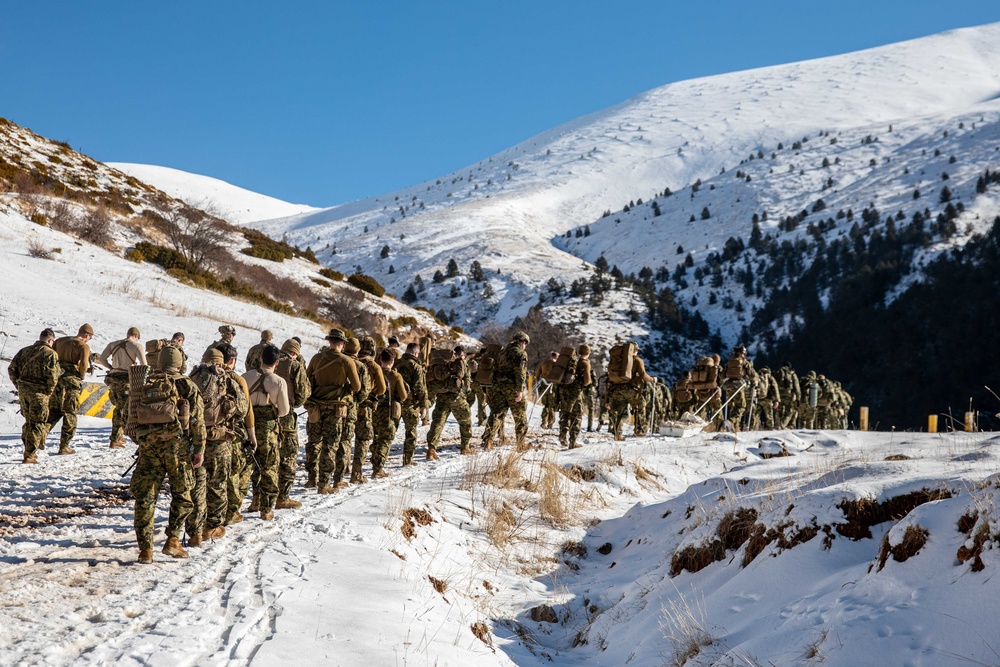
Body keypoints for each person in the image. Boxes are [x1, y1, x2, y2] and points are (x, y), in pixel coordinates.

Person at [130, 344, 205, 563]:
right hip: (178, 451)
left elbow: (131, 415)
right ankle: (173, 540)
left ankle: (146, 550)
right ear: (180, 364)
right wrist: (198, 450)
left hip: (149, 449)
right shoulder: (187, 385)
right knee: (183, 495)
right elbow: (197, 422)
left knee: (145, 498)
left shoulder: (146, 383)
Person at [187, 347, 248, 545]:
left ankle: (195, 530)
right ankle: (212, 527)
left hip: (194, 440)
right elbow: (242, 410)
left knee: (197, 486)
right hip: (219, 441)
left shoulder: (190, 379)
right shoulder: (227, 381)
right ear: (221, 363)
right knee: (218, 484)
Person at [306, 329, 360, 493]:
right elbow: (357, 387)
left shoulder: (316, 358)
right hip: (336, 409)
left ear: (329, 341)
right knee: (330, 446)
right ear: (342, 343)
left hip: (315, 408)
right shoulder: (346, 361)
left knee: (314, 443)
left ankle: (311, 478)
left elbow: (308, 381)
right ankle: (324, 484)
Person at [243, 344, 290, 519]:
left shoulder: (245, 377)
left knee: (253, 466)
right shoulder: (278, 382)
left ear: (261, 359)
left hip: (249, 428)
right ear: (277, 363)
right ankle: (267, 508)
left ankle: (254, 500)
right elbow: (284, 410)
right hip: (269, 431)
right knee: (269, 468)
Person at [7, 328, 60, 463]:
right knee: (37, 423)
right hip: (39, 393)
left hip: (24, 392)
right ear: (50, 340)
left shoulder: (24, 351)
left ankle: (29, 450)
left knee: (29, 421)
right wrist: (48, 392)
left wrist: (18, 385)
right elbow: (53, 377)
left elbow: (12, 369)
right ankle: (29, 455)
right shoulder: (50, 354)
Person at [218, 343, 256, 526]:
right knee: (235, 471)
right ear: (232, 361)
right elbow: (247, 410)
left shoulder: (203, 376)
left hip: (208, 433)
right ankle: (230, 512)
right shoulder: (237, 379)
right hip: (232, 433)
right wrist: (252, 435)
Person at [274, 338, 311, 508]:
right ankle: (283, 497)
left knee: (267, 457)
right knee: (288, 457)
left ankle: (258, 499)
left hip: (264, 415)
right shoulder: (294, 366)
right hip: (286, 415)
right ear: (295, 353)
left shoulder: (267, 360)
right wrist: (293, 403)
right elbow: (303, 393)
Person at [49, 323, 95, 454]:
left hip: (57, 379)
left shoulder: (60, 341)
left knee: (53, 412)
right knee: (70, 414)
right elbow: (84, 364)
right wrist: (81, 375)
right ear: (87, 335)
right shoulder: (83, 346)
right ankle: (64, 446)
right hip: (71, 382)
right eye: (90, 337)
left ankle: (40, 437)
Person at [96, 326, 144, 448]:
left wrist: (111, 368)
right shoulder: (137, 346)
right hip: (126, 379)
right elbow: (144, 365)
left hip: (113, 378)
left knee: (119, 407)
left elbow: (102, 359)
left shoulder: (113, 344)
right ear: (137, 336)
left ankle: (119, 435)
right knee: (121, 410)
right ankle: (115, 439)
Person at [482, 331, 530, 450]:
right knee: (520, 416)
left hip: (498, 388)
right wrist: (520, 390)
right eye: (525, 343)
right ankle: (520, 444)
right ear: (523, 342)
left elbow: (494, 371)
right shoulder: (521, 354)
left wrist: (490, 390)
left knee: (496, 414)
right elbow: (520, 374)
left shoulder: (502, 353)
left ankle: (488, 441)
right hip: (512, 388)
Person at [426, 346, 473, 456]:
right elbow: (467, 385)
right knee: (465, 422)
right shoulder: (461, 364)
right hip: (457, 397)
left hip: (441, 397)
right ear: (462, 355)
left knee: (438, 423)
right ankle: (465, 447)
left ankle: (431, 449)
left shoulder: (442, 365)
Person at [351, 336, 385, 483]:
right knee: (363, 439)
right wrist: (373, 393)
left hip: (349, 405)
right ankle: (356, 474)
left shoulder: (351, 361)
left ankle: (343, 468)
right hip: (365, 407)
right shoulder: (374, 366)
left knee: (345, 439)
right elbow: (382, 388)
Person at [370, 350, 407, 478]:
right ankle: (378, 469)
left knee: (376, 436)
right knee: (385, 439)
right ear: (392, 361)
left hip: (374, 410)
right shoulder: (396, 376)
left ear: (380, 360)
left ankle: (374, 458)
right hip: (388, 412)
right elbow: (403, 396)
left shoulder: (374, 372)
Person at [338, 337, 371, 482]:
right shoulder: (360, 366)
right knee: (354, 439)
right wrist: (356, 401)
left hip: (336, 405)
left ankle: (341, 470)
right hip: (354, 407)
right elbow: (364, 391)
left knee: (339, 440)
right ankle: (354, 475)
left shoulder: (338, 360)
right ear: (358, 350)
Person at [394, 343, 427, 466]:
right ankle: (407, 460)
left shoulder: (396, 362)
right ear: (416, 353)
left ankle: (379, 462)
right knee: (411, 432)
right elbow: (420, 387)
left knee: (389, 432)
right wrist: (424, 405)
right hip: (410, 404)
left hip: (394, 402)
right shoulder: (416, 366)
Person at [557, 344, 592, 448]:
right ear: (588, 353)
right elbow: (587, 380)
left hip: (563, 389)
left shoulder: (569, 360)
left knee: (565, 412)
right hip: (575, 393)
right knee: (576, 416)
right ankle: (572, 442)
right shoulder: (585, 363)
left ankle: (562, 435)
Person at [721, 345, 756, 431]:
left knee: (734, 406)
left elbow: (722, 375)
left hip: (728, 385)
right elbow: (752, 375)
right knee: (741, 406)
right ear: (742, 353)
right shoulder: (744, 362)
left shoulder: (729, 362)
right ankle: (731, 422)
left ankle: (734, 427)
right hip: (738, 385)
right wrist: (753, 382)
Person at [534, 351, 558, 430]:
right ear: (557, 357)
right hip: (552, 387)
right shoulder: (556, 365)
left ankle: (543, 422)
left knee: (546, 405)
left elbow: (537, 376)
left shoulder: (543, 363)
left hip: (543, 386)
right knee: (552, 406)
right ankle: (550, 424)